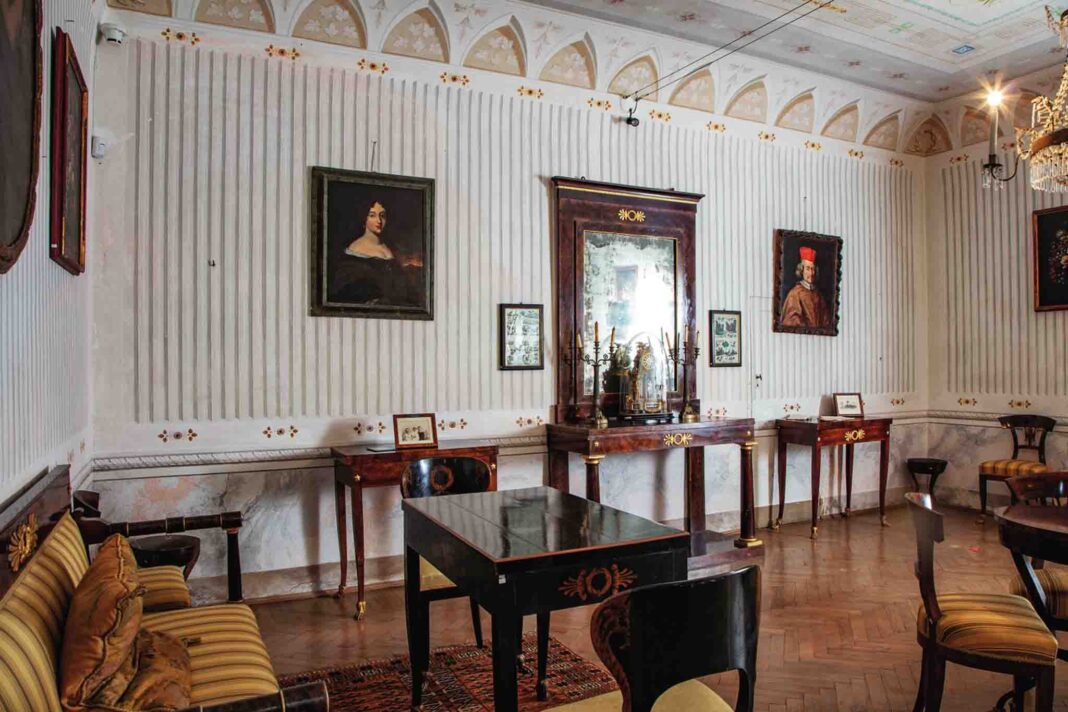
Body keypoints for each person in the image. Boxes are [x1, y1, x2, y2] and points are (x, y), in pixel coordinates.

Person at [327, 198, 423, 307]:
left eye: (382, 216)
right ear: (364, 218)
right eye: (372, 215)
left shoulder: (391, 247)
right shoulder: (355, 251)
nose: (379, 221)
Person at [780, 246, 831, 328]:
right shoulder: (795, 294)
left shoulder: (818, 295)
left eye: (813, 269)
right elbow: (791, 321)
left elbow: (826, 321)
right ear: (801, 270)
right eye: (807, 269)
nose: (811, 273)